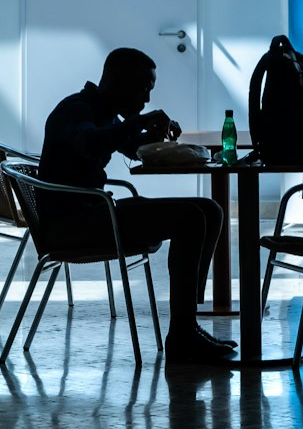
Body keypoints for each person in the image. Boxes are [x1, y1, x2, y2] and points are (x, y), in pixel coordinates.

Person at [38, 47, 235, 364]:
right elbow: (91, 142)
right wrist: (136, 123)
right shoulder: (76, 109)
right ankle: (183, 333)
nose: (145, 100)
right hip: (71, 226)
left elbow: (132, 148)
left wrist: (152, 134)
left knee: (210, 210)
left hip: (92, 215)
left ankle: (188, 319)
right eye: (143, 90)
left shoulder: (102, 113)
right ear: (118, 83)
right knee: (190, 218)